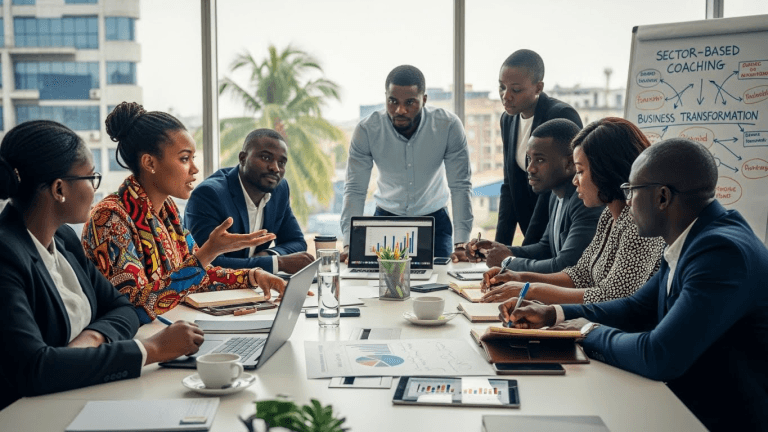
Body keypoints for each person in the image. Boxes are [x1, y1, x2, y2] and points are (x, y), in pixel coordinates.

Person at [501, 138, 768, 431]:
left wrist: (585, 330)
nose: (626, 201)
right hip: (683, 405)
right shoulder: (692, 236)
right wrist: (554, 314)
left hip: (717, 419)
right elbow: (637, 307)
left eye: (632, 191)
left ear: (662, 197)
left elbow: (659, 355)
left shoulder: (720, 252)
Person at [0, 120, 204, 410]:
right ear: (60, 189)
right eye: (90, 178)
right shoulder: (6, 255)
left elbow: (123, 308)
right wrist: (151, 349)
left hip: (77, 395)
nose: (96, 190)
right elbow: (36, 368)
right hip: (27, 414)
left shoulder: (64, 239)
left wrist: (92, 337)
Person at [82, 102, 286, 323]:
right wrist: (208, 253)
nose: (195, 169)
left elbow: (196, 277)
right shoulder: (110, 218)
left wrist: (254, 276)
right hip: (131, 344)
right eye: (184, 159)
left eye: (192, 158)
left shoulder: (167, 212)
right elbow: (134, 307)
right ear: (149, 162)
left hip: (163, 330)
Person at [480, 118, 665, 304]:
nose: (575, 180)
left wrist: (529, 290)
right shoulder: (609, 216)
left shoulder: (639, 224)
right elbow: (580, 275)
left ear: (605, 170)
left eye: (580, 171)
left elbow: (613, 297)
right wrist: (518, 278)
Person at [340, 65, 472, 261]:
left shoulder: (448, 126)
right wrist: (349, 243)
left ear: (424, 100)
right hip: (385, 220)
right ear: (385, 97)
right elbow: (355, 189)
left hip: (435, 221)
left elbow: (460, 186)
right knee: (379, 287)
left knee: (440, 285)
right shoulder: (367, 130)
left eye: (410, 102)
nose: (400, 110)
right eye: (393, 101)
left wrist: (461, 243)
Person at [464, 119, 602, 273]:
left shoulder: (584, 200)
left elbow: (565, 266)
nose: (530, 168)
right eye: (529, 159)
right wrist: (496, 251)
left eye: (540, 160)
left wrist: (507, 261)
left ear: (570, 164)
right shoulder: (555, 195)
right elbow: (546, 249)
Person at [185, 128, 314, 274]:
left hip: (256, 288)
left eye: (282, 162)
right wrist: (277, 263)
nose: (275, 168)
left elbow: (296, 242)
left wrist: (269, 255)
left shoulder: (279, 189)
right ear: (243, 158)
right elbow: (206, 263)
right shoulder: (210, 195)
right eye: (266, 158)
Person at [495, 49, 583, 249]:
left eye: (515, 90)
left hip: (560, 230)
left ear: (538, 87)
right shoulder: (508, 119)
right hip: (532, 233)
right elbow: (510, 186)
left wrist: (524, 251)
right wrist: (498, 248)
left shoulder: (561, 115)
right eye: (501, 87)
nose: (505, 96)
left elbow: (554, 188)